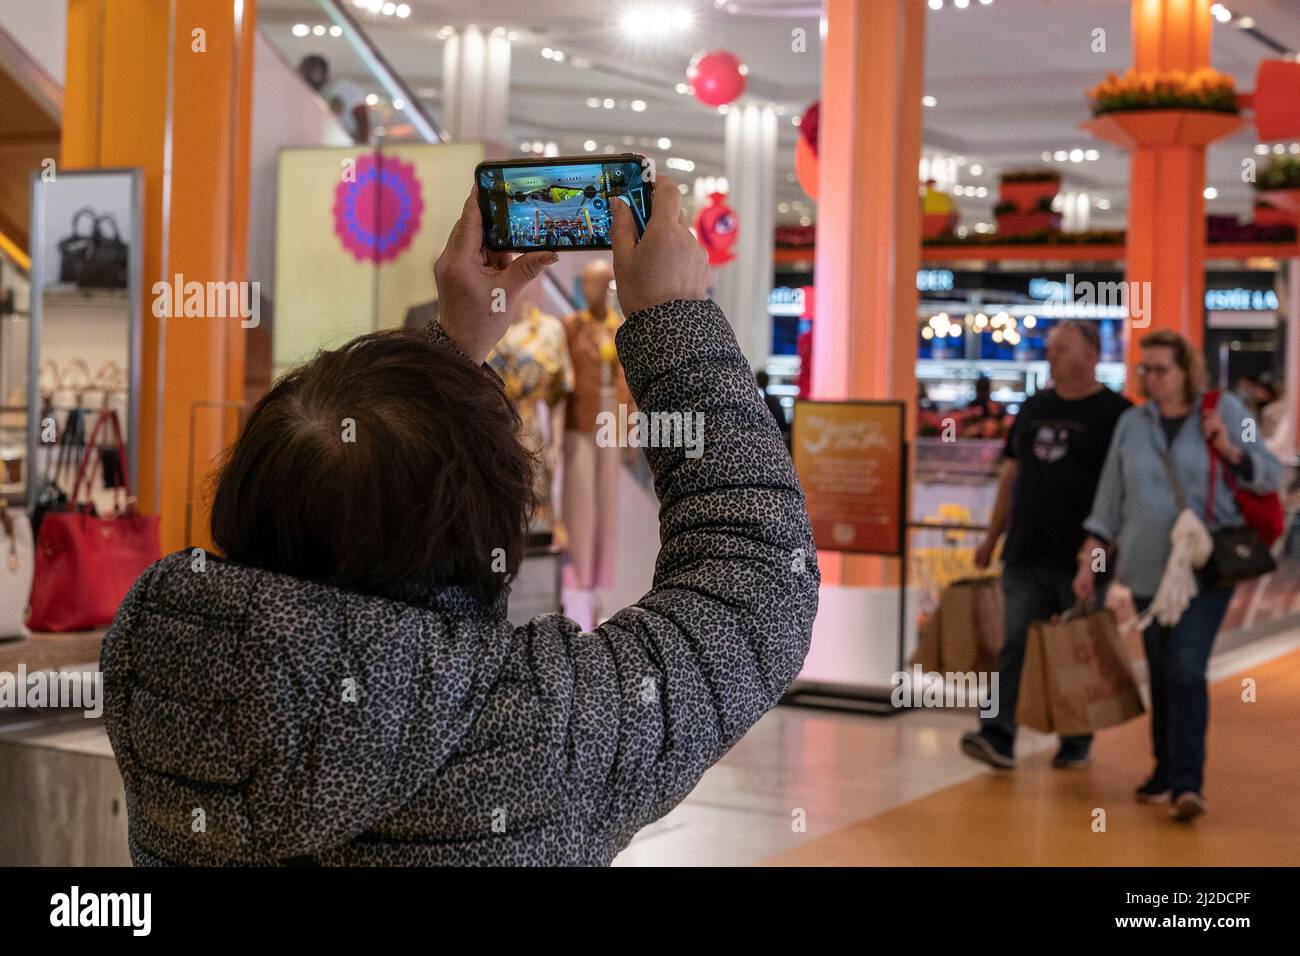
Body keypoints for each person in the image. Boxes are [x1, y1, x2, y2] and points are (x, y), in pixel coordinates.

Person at [99, 177, 819, 866]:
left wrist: (446, 356)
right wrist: (675, 324)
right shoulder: (536, 727)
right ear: (485, 531)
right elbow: (756, 580)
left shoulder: (161, 665)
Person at [1075, 329, 1281, 822]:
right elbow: (1109, 498)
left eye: (1160, 369)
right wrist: (1091, 558)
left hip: (1203, 570)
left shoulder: (1226, 410)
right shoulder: (1132, 422)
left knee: (1187, 669)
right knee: (1163, 671)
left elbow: (1271, 471)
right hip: (1146, 570)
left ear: (1186, 370)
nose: (1150, 378)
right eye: (1144, 369)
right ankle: (1164, 770)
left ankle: (1188, 783)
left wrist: (1231, 449)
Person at [960, 321, 1131, 771]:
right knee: (1013, 643)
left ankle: (1076, 737)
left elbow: (1122, 494)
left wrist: (1098, 557)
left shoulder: (1117, 414)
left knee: (1075, 648)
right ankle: (996, 734)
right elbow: (1011, 475)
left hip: (1082, 557)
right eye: (1051, 351)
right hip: (1025, 550)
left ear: (1092, 355)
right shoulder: (1034, 406)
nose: (1051, 358)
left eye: (1061, 350)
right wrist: (991, 539)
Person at [561, 259, 634, 599]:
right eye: (590, 284)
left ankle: (602, 577)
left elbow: (629, 383)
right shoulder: (570, 326)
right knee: (580, 496)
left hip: (612, 417)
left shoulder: (621, 328)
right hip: (581, 415)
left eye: (601, 284)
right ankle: (578, 572)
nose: (594, 291)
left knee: (608, 497)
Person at [297, 54, 370, 144]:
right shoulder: (310, 96)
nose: (311, 76)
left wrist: (362, 145)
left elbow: (362, 118)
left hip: (352, 146)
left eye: (315, 72)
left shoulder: (342, 88)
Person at [756, 370, 790, 443]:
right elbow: (784, 423)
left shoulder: (758, 400)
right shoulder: (774, 400)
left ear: (757, 381)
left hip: (767, 438)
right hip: (778, 436)